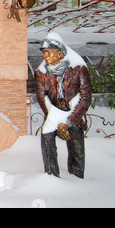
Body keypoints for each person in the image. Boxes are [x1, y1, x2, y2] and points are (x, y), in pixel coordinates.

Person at [34, 32, 92, 179]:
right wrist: (54, 120)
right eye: (44, 53)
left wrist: (68, 122)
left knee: (76, 146)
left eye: (49, 52)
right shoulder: (41, 72)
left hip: (73, 114)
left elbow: (85, 98)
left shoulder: (78, 68)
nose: (45, 56)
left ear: (59, 54)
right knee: (46, 136)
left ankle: (78, 178)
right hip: (53, 113)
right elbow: (42, 98)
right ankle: (51, 177)